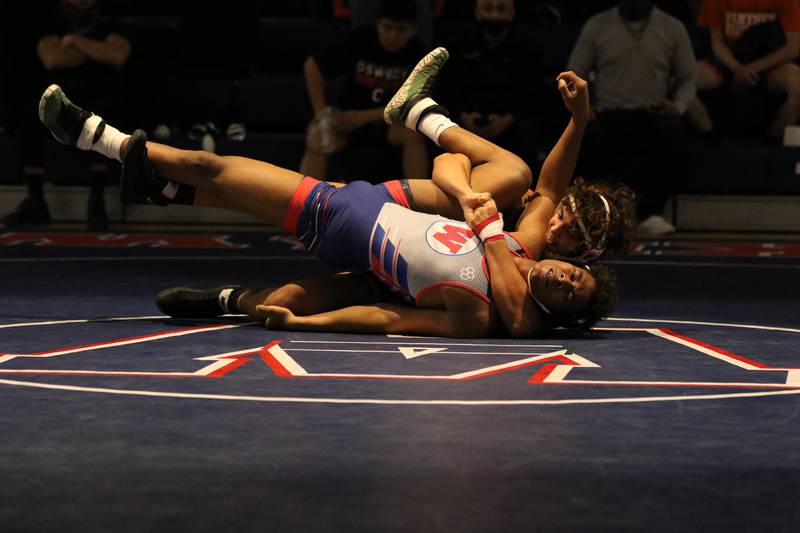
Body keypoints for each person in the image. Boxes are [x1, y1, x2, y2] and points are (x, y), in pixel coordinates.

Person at [38, 48, 618, 338]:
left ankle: (95, 136)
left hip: (344, 219)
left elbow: (388, 320)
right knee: (289, 291)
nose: (563, 274)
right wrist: (580, 120)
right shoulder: (524, 245)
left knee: (213, 168)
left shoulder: (479, 311)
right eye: (573, 271)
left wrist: (307, 329)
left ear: (559, 315)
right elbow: (545, 184)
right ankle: (208, 278)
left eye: (570, 290)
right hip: (378, 222)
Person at [567, 0, 696, 236]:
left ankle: (651, 213)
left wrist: (678, 105)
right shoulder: (597, 25)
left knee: (674, 134)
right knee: (585, 135)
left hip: (652, 114)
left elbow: (688, 78)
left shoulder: (672, 27)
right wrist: (583, 106)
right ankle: (599, 213)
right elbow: (574, 71)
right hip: (608, 114)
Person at [3, 0, 131, 230]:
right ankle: (36, 201)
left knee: (104, 118)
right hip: (60, 103)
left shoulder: (110, 28)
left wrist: (73, 43)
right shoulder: (52, 27)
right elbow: (52, 58)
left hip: (98, 100)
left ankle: (97, 201)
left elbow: (117, 55)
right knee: (29, 118)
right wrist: (94, 50)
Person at [299, 0, 430, 181]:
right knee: (318, 135)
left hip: (389, 123)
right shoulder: (360, 40)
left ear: (413, 29)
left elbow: (412, 102)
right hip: (346, 120)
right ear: (378, 24)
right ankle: (305, 203)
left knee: (414, 134)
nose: (392, 35)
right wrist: (321, 114)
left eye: (401, 30)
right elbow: (312, 66)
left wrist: (362, 117)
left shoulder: (418, 53)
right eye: (387, 27)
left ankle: (419, 201)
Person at [437, 0, 545, 170]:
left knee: (530, 129)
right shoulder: (458, 46)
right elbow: (447, 88)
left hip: (510, 122)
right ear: (477, 11)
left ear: (512, 13)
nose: (494, 15)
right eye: (487, 8)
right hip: (464, 121)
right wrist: (463, 115)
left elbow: (533, 93)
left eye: (501, 9)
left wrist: (508, 119)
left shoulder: (527, 50)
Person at [687, 0, 800, 142]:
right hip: (729, 59)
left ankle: (773, 143)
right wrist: (737, 68)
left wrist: (752, 68)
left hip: (771, 61)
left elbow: (794, 47)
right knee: (681, 80)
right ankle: (710, 137)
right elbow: (717, 42)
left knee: (798, 87)